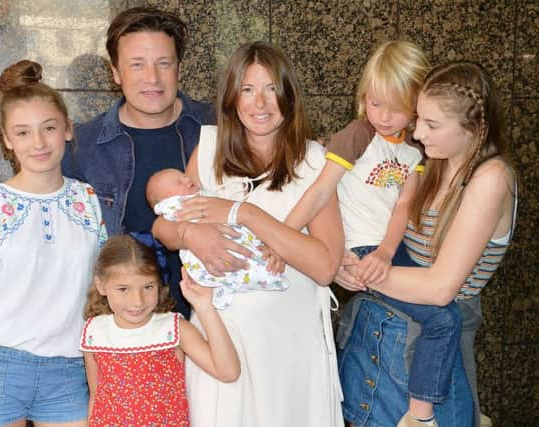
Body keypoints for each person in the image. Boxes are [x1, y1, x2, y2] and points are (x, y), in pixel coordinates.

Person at [0, 6, 222, 318]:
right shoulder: (82, 146)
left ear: (179, 68)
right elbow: (28, 204)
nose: (152, 78)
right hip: (122, 335)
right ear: (115, 73)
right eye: (137, 65)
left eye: (164, 63)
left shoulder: (220, 129)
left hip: (218, 319)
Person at [153, 41, 344, 427]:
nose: (261, 103)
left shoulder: (314, 161)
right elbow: (163, 225)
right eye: (248, 89)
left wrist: (246, 214)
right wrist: (190, 235)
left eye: (272, 88)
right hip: (222, 342)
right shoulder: (207, 151)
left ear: (289, 96)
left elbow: (325, 267)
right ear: (231, 98)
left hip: (291, 345)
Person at [285, 40, 460, 427]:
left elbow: (402, 207)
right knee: (444, 320)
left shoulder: (416, 151)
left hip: (387, 251)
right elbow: (320, 191)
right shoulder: (358, 135)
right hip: (359, 252)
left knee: (447, 316)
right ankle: (421, 417)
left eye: (397, 108)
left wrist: (386, 251)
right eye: (374, 102)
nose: (383, 116)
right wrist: (283, 236)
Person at [336, 61, 517, 427]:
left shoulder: (491, 177)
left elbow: (440, 288)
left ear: (474, 128)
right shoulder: (433, 163)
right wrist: (341, 259)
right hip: (382, 333)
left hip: (434, 352)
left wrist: (357, 270)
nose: (418, 132)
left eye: (432, 125)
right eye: (418, 119)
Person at [0, 60, 107, 427]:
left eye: (48, 128)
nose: (38, 143)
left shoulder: (91, 201)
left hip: (69, 372)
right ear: (6, 140)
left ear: (67, 128)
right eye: (23, 132)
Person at [81, 235, 239, 426]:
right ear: (101, 286)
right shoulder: (94, 332)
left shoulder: (173, 329)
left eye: (148, 287)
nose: (137, 301)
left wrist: (205, 307)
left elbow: (228, 372)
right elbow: (96, 399)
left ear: (159, 284)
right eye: (123, 289)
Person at [146, 168, 288, 309]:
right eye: (178, 182)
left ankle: (260, 275)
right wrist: (187, 232)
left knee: (251, 256)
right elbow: (158, 227)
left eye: (184, 177)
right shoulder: (174, 207)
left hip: (243, 239)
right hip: (212, 257)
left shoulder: (204, 195)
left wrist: (269, 242)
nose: (188, 180)